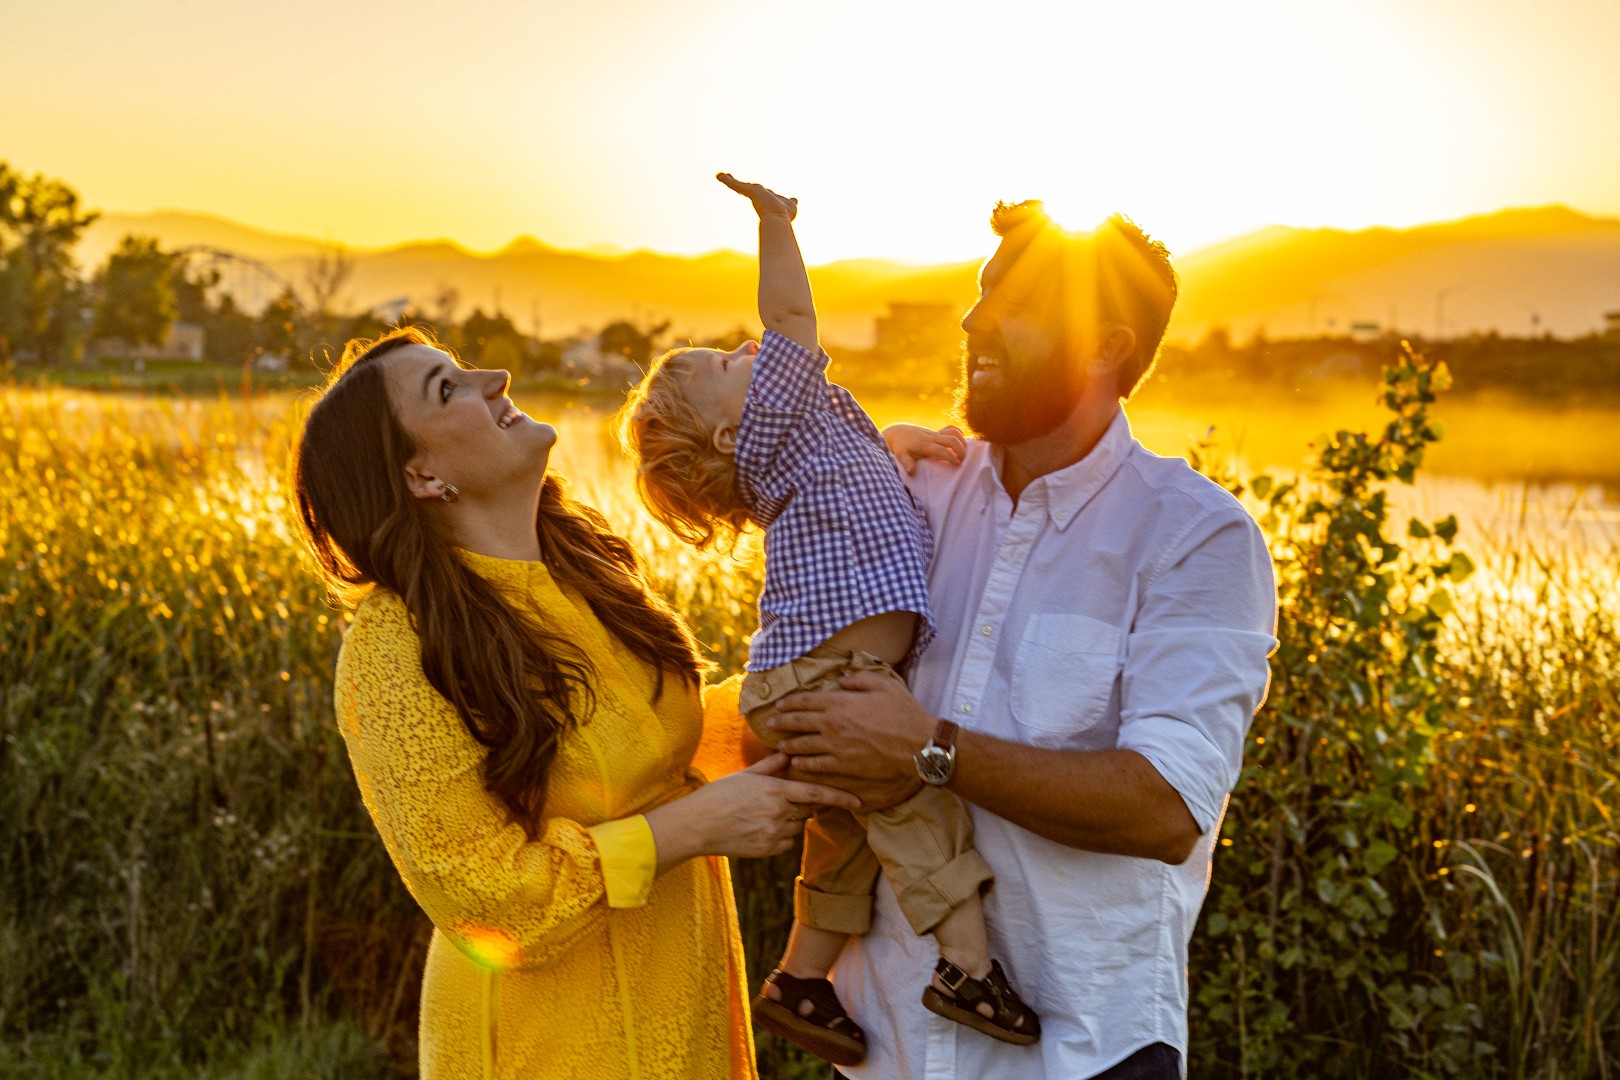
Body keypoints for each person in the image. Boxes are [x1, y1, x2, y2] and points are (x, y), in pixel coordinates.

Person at [768, 202, 1279, 1078]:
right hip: (882, 1042)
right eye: (979, 292)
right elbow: (802, 673)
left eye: (1015, 303)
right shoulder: (912, 492)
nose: (974, 320)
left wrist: (927, 748)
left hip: (1081, 1048)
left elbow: (1165, 810)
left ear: (1108, 348)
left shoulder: (1196, 538)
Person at [289, 325, 861, 1080]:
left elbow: (657, 746)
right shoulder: (394, 646)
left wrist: (877, 479)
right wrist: (684, 831)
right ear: (420, 475)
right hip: (546, 1041)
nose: (493, 376)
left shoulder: (585, 572)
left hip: (677, 992)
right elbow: (486, 898)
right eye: (447, 387)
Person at [618, 175, 1039, 1068]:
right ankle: (967, 966)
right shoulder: (779, 424)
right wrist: (776, 226)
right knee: (918, 805)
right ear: (735, 436)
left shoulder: (805, 448)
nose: (748, 351)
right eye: (726, 368)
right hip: (829, 682)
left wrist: (896, 444)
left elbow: (852, 486)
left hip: (809, 681)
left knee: (848, 831)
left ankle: (803, 984)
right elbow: (791, 320)